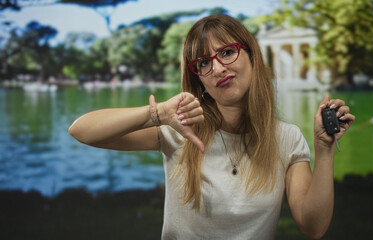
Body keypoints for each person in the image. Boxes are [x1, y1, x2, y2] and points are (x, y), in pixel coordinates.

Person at [69, 15, 355, 239]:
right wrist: (156, 114)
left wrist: (324, 149)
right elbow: (81, 130)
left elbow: (313, 226)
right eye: (204, 62)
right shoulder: (180, 128)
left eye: (227, 52)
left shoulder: (287, 138)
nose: (217, 68)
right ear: (199, 80)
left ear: (252, 56)